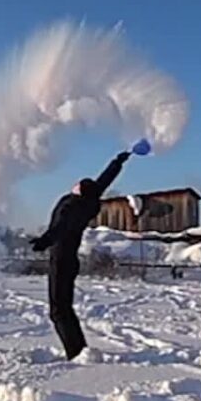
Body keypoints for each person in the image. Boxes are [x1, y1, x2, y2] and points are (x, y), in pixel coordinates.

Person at [30, 150, 131, 360]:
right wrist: (118, 162)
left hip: (61, 260)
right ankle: (79, 350)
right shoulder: (89, 201)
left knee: (58, 311)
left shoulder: (72, 206)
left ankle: (75, 353)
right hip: (69, 260)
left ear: (79, 191)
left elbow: (60, 227)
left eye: (78, 185)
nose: (75, 185)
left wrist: (44, 241)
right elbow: (103, 182)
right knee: (64, 308)